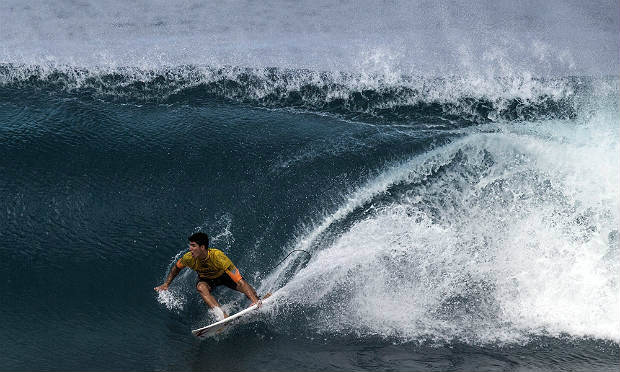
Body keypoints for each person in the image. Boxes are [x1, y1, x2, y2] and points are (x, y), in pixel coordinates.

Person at [155, 232, 261, 319]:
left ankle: (257, 299)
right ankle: (223, 316)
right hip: (206, 280)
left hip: (223, 276)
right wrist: (166, 284)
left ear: (202, 247)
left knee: (246, 288)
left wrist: (254, 301)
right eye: (190, 245)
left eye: (193, 246)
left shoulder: (218, 257)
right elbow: (176, 268)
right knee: (201, 287)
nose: (190, 248)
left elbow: (239, 280)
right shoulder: (188, 258)